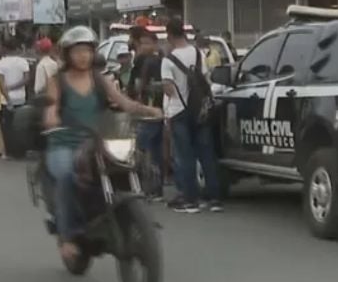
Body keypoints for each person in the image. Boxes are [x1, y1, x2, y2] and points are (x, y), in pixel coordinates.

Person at [42, 26, 162, 263]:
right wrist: (52, 116)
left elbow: (124, 103)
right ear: (67, 54)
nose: (83, 56)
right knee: (67, 176)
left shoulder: (101, 80)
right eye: (77, 51)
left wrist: (149, 110)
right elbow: (51, 106)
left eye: (87, 50)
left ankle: (134, 217)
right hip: (64, 143)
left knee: (136, 164)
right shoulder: (57, 81)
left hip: (96, 142)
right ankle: (67, 237)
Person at [163, 18, 223, 214]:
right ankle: (214, 199)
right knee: (207, 154)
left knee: (185, 156)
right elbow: (206, 80)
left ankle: (191, 200)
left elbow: (169, 89)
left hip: (179, 112)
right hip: (201, 111)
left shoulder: (168, 60)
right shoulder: (198, 53)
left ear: (169, 35)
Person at [130, 30, 167, 201]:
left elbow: (139, 85)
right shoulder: (149, 60)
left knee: (144, 150)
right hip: (155, 110)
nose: (144, 46)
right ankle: (154, 188)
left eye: (147, 43)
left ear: (155, 44)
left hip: (150, 110)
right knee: (154, 150)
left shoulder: (151, 61)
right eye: (142, 43)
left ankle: (149, 188)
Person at [0, 39, 31, 132]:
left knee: (7, 128)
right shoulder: (23, 62)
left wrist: (8, 99)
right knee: (20, 127)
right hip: (21, 99)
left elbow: (1, 85)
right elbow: (26, 79)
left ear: (5, 49)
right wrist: (14, 87)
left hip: (6, 101)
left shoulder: (1, 63)